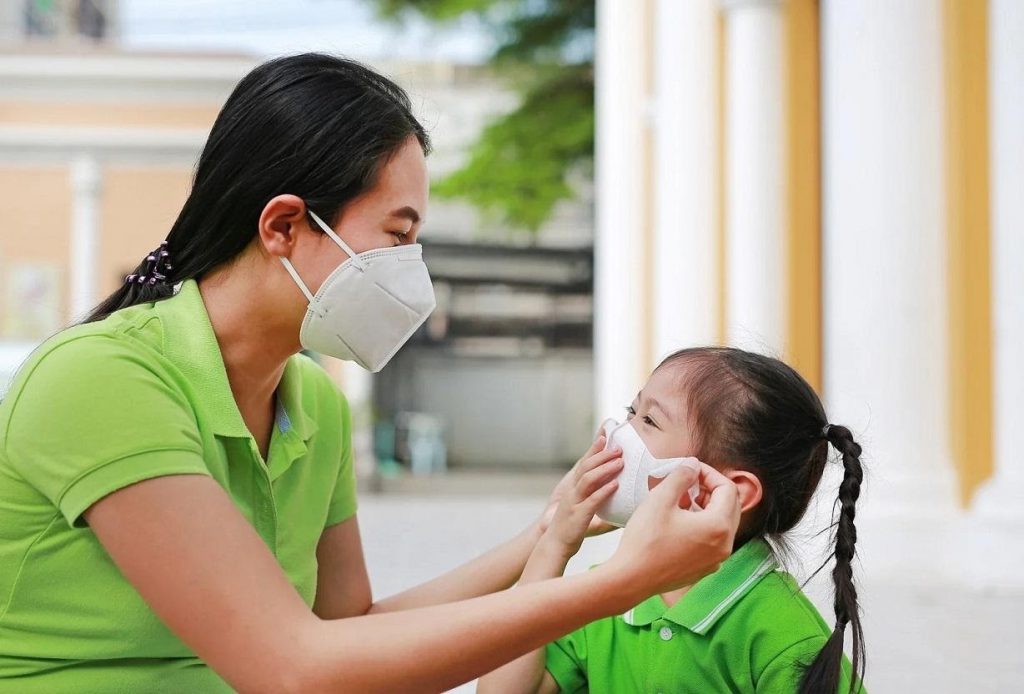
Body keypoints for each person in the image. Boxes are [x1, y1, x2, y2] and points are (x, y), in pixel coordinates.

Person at [0, 54, 742, 693]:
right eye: (397, 234)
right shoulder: (105, 379)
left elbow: (350, 632)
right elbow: (293, 670)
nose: (411, 270)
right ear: (284, 226)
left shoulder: (312, 403)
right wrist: (625, 583)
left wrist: (557, 529)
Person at [478, 347, 867, 694]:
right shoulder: (604, 596)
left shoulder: (782, 634)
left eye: (649, 421)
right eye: (632, 411)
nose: (616, 434)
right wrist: (554, 541)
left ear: (727, 490)